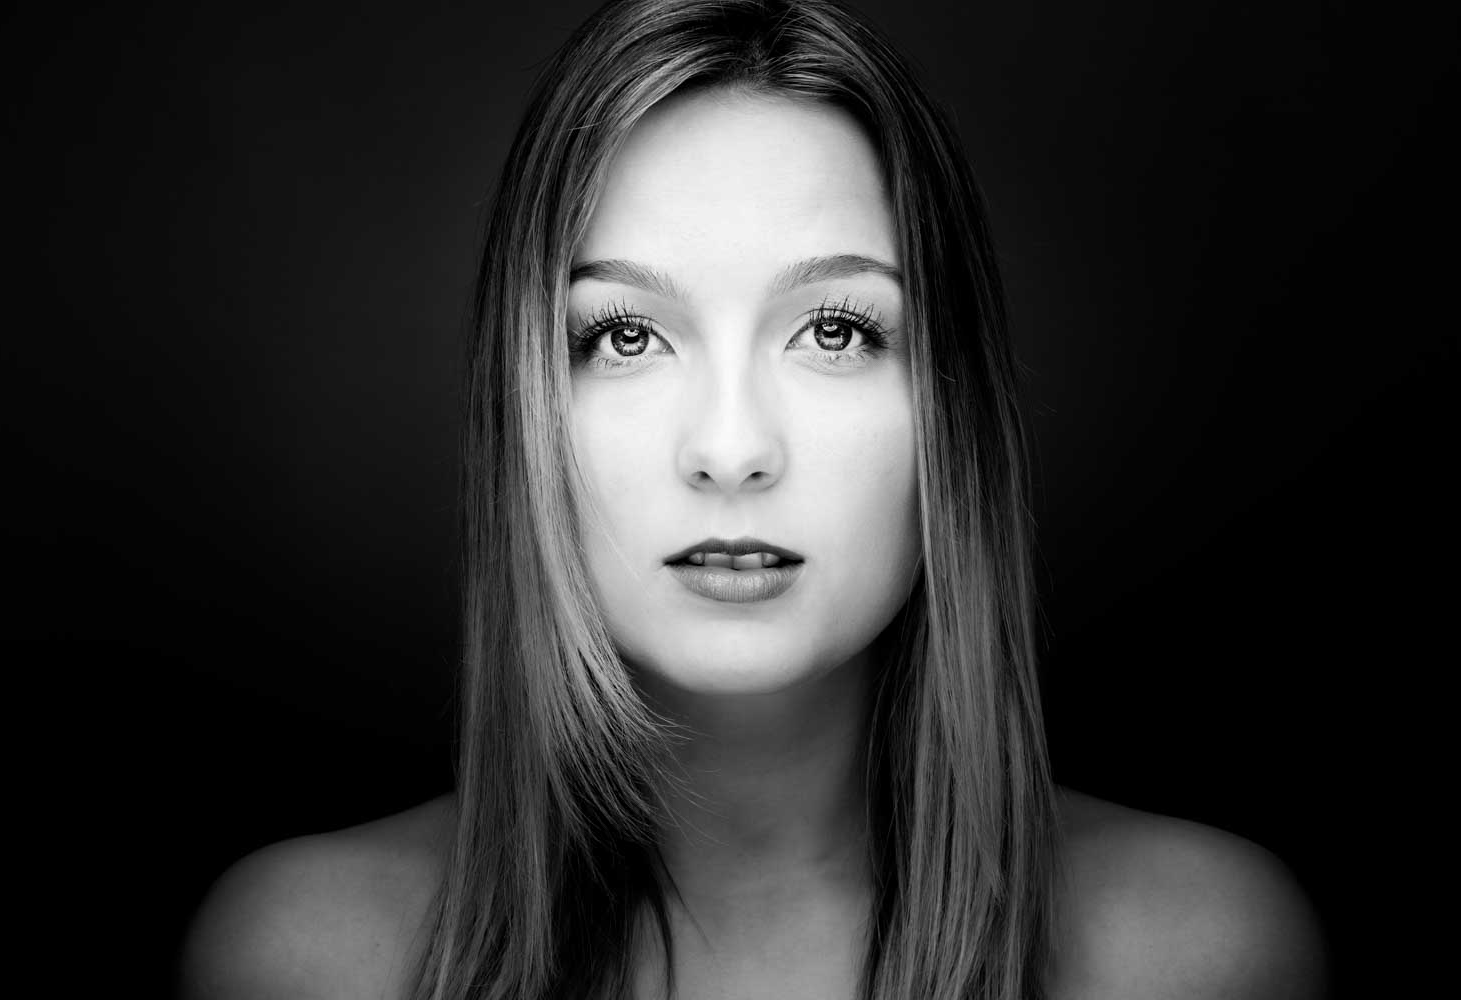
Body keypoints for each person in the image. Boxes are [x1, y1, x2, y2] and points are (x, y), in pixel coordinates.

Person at [179, 1, 1326, 997]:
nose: (731, 449)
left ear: (955, 410)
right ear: (523, 406)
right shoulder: (304, 959)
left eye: (836, 329)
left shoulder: (1199, 954)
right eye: (625, 334)